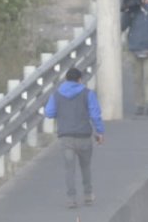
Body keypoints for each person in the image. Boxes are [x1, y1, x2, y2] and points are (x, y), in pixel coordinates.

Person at [44, 67, 104, 209]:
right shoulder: (87, 93)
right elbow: (95, 115)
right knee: (85, 167)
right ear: (79, 79)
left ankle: (71, 199)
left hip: (66, 137)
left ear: (66, 79)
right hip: (84, 136)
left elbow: (49, 113)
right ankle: (88, 196)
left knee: (69, 169)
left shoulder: (57, 95)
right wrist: (100, 132)